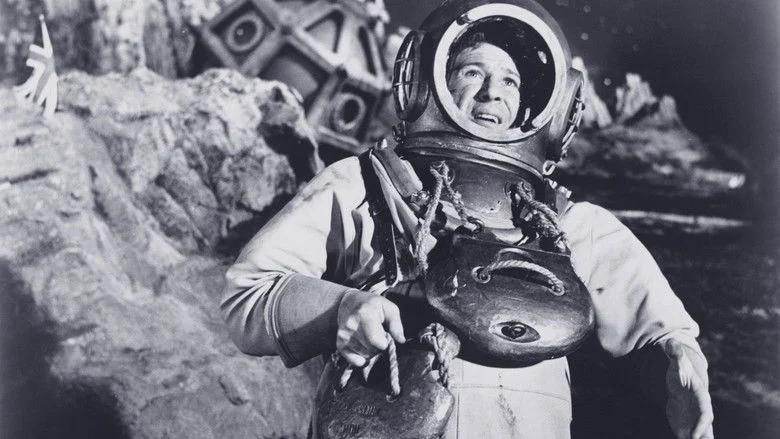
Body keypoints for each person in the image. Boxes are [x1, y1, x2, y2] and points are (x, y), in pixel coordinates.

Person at [221, 1, 714, 437]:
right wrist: (339, 310)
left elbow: (664, 331)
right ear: (428, 84)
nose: (492, 92)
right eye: (473, 72)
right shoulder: (366, 189)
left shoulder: (568, 227)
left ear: (543, 107)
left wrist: (679, 363)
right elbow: (246, 296)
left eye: (510, 80)